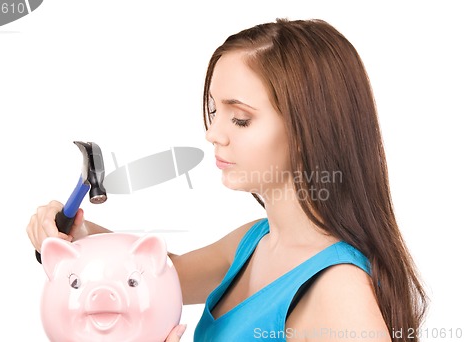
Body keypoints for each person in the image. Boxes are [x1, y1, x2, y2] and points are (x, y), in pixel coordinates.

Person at [27, 19, 428, 341]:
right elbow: (154, 277)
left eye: (240, 118)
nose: (214, 134)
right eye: (214, 111)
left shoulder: (337, 290)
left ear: (312, 130)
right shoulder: (253, 241)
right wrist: (78, 234)